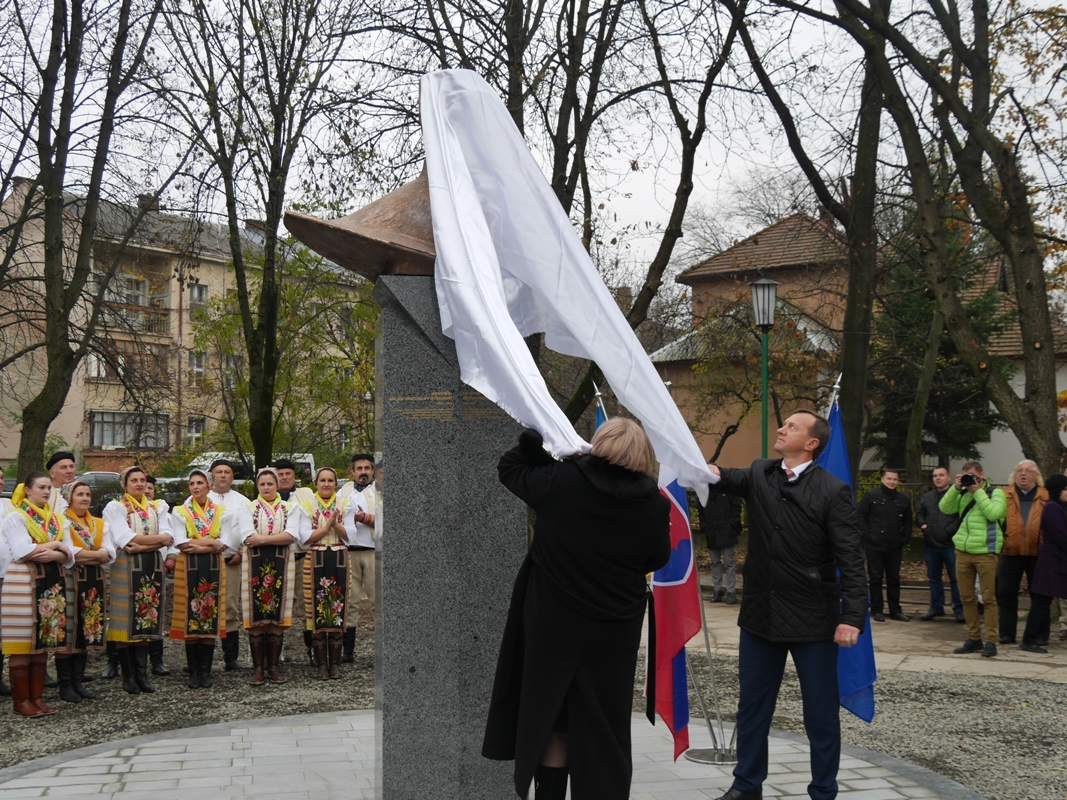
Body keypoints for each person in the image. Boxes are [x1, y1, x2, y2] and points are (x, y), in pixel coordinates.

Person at [483, 421, 671, 800]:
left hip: (554, 626)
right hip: (612, 632)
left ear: (598, 445)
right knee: (603, 723)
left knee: (551, 715)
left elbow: (510, 468)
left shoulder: (562, 481)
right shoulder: (654, 503)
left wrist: (537, 440)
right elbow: (657, 557)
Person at [706, 411, 867, 800]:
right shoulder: (761, 472)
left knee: (820, 716)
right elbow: (722, 476)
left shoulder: (832, 490)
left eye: (792, 427)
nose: (781, 429)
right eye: (784, 424)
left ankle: (823, 792)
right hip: (761, 617)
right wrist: (693, 460)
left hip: (813, 620)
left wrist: (852, 618)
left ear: (812, 443)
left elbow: (852, 559)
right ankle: (746, 786)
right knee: (752, 709)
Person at [1, 473, 76, 717]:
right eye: (41, 488)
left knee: (44, 640)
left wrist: (56, 553)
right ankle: (21, 700)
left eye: (48, 488)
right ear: (28, 491)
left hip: (50, 580)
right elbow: (23, 550)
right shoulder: (16, 516)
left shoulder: (56, 519)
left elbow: (70, 554)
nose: (46, 491)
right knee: (22, 642)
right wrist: (56, 546)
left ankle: (37, 697)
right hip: (22, 581)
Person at [102, 466, 174, 694]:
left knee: (146, 617)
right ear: (124, 485)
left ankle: (142, 676)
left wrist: (145, 543)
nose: (139, 484)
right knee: (125, 621)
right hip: (125, 566)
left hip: (151, 565)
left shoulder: (158, 506)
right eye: (134, 480)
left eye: (142, 480)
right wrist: (158, 540)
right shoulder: (116, 507)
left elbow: (168, 538)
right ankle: (129, 677)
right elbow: (124, 539)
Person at [170, 469, 243, 689]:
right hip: (188, 566)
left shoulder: (222, 512)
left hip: (213, 566)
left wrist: (199, 543)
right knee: (190, 615)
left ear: (208, 486)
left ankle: (206, 669)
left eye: (200, 483)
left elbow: (226, 542)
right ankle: (193, 670)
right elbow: (181, 542)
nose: (195, 487)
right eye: (192, 483)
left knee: (209, 614)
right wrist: (210, 543)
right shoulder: (180, 511)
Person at [54, 480, 114, 703]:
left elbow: (110, 552)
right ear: (69, 498)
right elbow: (70, 553)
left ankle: (78, 682)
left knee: (87, 627)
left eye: (88, 494)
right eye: (80, 494)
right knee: (69, 627)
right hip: (70, 579)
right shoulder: (62, 522)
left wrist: (95, 555)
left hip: (92, 580)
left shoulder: (98, 523)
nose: (85, 498)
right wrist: (96, 555)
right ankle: (65, 684)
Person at [243, 467, 303, 685]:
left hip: (282, 563)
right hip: (253, 564)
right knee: (256, 612)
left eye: (270, 484)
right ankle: (258, 668)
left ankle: (274, 666)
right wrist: (274, 538)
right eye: (262, 484)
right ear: (257, 486)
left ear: (277, 485)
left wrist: (263, 540)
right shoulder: (248, 507)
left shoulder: (290, 507)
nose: (266, 488)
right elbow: (246, 535)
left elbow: (292, 535)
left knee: (278, 612)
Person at [941, 460, 1006, 658]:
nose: (970, 480)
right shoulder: (962, 494)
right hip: (963, 551)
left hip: (986, 552)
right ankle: (974, 638)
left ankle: (991, 641)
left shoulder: (995, 493)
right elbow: (944, 508)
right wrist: (956, 488)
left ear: (982, 475)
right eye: (966, 476)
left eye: (972, 476)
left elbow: (994, 513)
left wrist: (977, 491)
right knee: (966, 598)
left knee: (988, 598)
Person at [296, 467, 356, 679]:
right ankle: (322, 663)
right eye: (323, 480)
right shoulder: (306, 505)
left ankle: (335, 664)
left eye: (331, 480)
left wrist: (335, 526)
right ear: (316, 483)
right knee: (316, 609)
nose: (327, 484)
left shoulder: (345, 504)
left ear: (335, 484)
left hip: (339, 557)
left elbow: (351, 536)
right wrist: (325, 529)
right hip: (316, 558)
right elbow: (304, 537)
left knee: (338, 609)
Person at [208, 459, 254, 671]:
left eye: (227, 472)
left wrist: (243, 553)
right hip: (205, 561)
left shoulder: (243, 501)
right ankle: (202, 659)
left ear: (232, 477)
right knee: (204, 606)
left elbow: (250, 530)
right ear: (212, 476)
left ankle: (231, 658)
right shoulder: (199, 498)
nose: (223, 475)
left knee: (230, 608)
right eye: (219, 472)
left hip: (232, 560)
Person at [997, 460, 1047, 645]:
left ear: (1036, 476)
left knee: (1040, 596)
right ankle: (1007, 633)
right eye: (1020, 471)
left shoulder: (1045, 496)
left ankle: (1040, 634)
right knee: (1006, 593)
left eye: (1028, 471)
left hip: (1038, 554)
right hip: (1011, 551)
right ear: (1014, 474)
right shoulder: (1004, 494)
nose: (1023, 474)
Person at [857, 468, 912, 623]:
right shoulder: (871, 496)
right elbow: (861, 517)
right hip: (875, 545)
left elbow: (908, 521)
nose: (892, 482)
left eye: (895, 479)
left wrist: (904, 538)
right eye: (889, 479)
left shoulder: (903, 499)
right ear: (882, 479)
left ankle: (895, 610)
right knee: (875, 578)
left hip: (895, 546)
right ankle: (877, 610)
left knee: (894, 579)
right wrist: (868, 536)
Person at [1020, 474, 1067, 653]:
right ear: (1057, 491)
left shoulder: (1062, 507)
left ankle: (1031, 638)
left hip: (1059, 560)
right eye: (1065, 489)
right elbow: (1061, 536)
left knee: (1042, 601)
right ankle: (1029, 639)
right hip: (1052, 562)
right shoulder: (1052, 508)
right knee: (1041, 601)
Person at [339, 453, 376, 663]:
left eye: (367, 468)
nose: (363, 472)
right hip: (349, 552)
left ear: (372, 471)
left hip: (372, 552)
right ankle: (348, 652)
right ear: (352, 472)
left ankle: (381, 651)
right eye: (359, 468)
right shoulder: (343, 491)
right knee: (349, 603)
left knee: (377, 602)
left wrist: (365, 518)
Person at [916, 467, 965, 623]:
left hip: (950, 544)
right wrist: (923, 526)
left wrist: (948, 531)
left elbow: (960, 517)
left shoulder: (957, 495)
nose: (937, 478)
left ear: (948, 478)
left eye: (941, 475)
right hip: (931, 544)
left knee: (955, 578)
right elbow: (919, 513)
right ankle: (936, 607)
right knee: (934, 577)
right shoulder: (928, 496)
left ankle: (959, 609)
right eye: (935, 476)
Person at [144, 476, 174, 676]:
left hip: (157, 567)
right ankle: (115, 662)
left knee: (155, 612)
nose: (146, 490)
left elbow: (171, 539)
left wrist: (169, 562)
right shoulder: (122, 509)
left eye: (150, 488)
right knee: (127, 613)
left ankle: (157, 660)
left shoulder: (161, 509)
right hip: (130, 566)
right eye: (141, 486)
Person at [697, 483, 741, 604]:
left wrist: (731, 526)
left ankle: (731, 591)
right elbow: (700, 510)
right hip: (711, 531)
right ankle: (717, 590)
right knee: (715, 562)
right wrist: (705, 527)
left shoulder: (728, 489)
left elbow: (736, 507)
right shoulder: (704, 490)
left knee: (729, 562)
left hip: (726, 531)